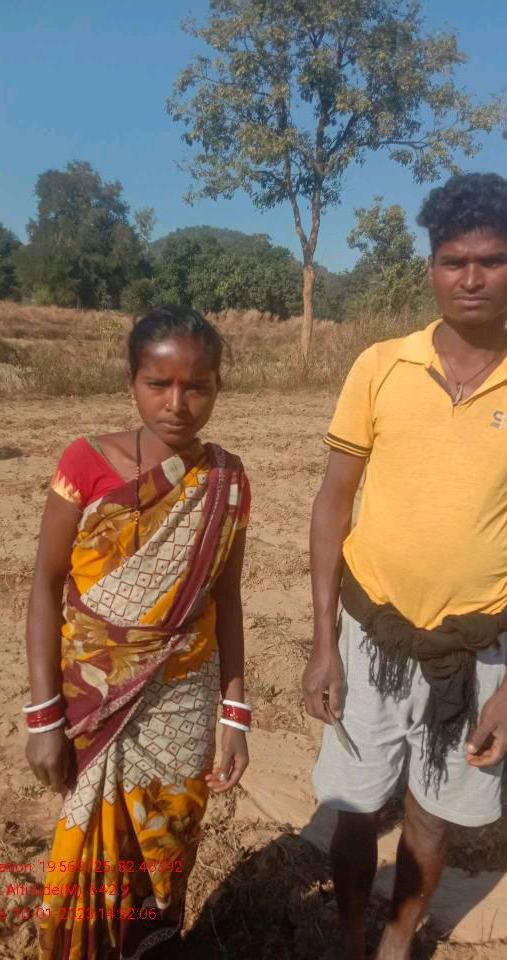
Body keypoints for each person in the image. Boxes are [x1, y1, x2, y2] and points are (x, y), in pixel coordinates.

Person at [303, 172, 507, 960]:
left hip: (477, 650)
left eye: (491, 260)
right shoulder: (381, 366)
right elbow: (333, 504)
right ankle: (350, 936)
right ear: (430, 269)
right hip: (370, 636)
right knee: (357, 808)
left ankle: (396, 941)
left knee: (433, 814)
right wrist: (324, 642)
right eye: (454, 261)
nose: (471, 278)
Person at [24, 305, 252, 959]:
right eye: (159, 384)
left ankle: (153, 944)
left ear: (217, 388)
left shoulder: (226, 480)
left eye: (196, 386)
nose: (176, 403)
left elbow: (227, 597)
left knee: (166, 843)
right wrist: (43, 717)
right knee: (89, 846)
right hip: (94, 697)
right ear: (132, 383)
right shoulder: (85, 463)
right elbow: (44, 587)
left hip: (184, 701)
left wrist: (234, 715)